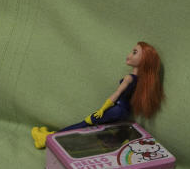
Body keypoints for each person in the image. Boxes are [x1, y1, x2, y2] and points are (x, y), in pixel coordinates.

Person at [31, 42, 164, 149]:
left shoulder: (129, 78)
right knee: (100, 128)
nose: (129, 55)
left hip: (116, 108)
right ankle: (109, 143)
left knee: (86, 123)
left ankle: (49, 138)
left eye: (134, 52)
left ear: (144, 60)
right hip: (123, 111)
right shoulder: (140, 80)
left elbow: (117, 94)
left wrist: (102, 109)